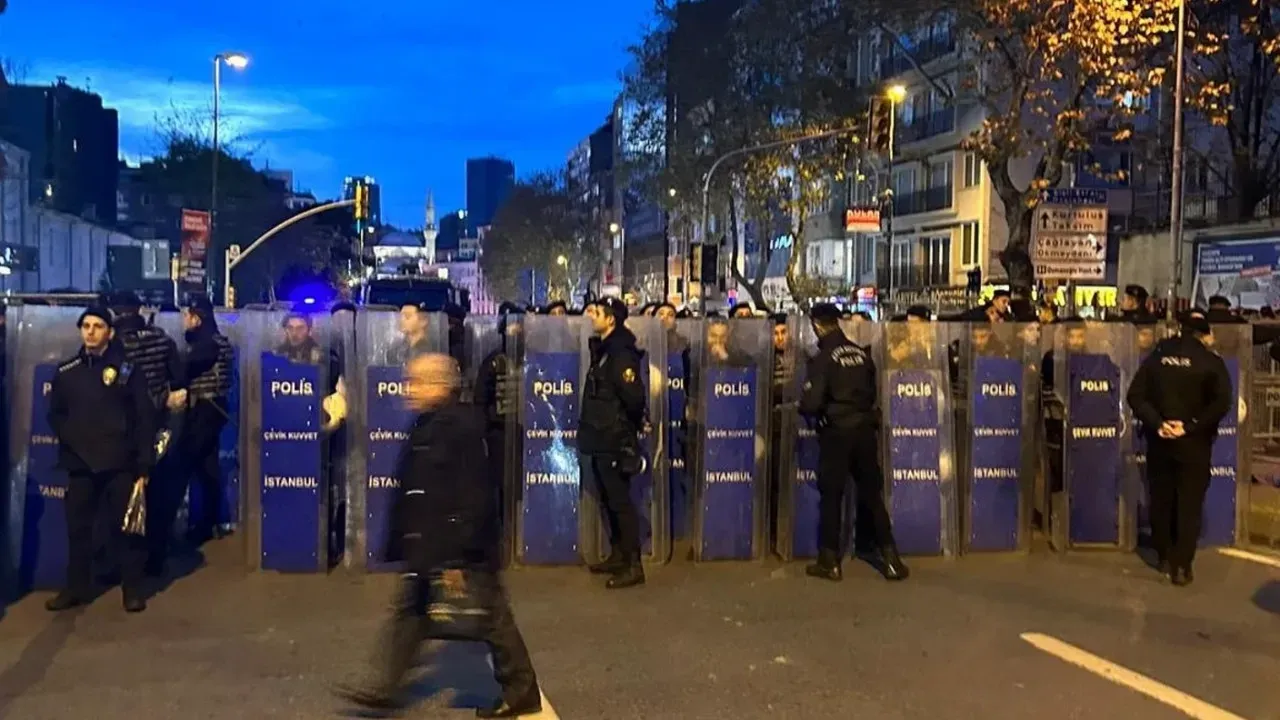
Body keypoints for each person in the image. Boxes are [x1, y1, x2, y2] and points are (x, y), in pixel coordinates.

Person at [336, 354, 542, 717]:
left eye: (417, 382)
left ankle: (522, 689)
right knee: (411, 615)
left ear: (440, 385)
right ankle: (385, 688)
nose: (408, 389)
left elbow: (472, 495)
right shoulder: (429, 423)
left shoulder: (460, 427)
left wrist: (456, 558)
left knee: (493, 620)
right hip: (431, 547)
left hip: (458, 549)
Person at [46, 307, 157, 613]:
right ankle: (76, 588)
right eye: (86, 326)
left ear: (109, 331)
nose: (90, 332)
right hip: (81, 463)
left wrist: (143, 462)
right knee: (78, 530)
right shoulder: (67, 371)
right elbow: (56, 414)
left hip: (119, 463)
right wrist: (71, 439)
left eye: (97, 326)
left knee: (127, 530)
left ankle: (132, 589)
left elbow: (143, 418)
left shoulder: (127, 371)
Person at [800, 303, 908, 582]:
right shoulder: (861, 354)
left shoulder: (823, 358)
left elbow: (812, 402)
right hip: (864, 431)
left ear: (816, 325)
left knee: (832, 496)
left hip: (837, 432)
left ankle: (829, 560)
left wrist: (805, 408)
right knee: (872, 496)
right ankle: (892, 559)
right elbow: (872, 391)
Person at [1126, 311, 1233, 586]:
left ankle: (1163, 555)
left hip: (1160, 439)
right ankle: (1183, 564)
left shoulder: (1157, 357)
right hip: (1194, 443)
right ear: (1205, 335)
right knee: (1190, 503)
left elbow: (1135, 395)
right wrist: (1190, 426)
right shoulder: (1210, 362)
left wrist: (1159, 423)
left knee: (1161, 498)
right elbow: (1221, 403)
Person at [580, 296, 647, 589]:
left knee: (620, 502)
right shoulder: (605, 350)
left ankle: (633, 564)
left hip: (614, 437)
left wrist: (623, 429)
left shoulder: (621, 354)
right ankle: (619, 554)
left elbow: (634, 398)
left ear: (611, 320)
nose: (591, 317)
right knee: (609, 499)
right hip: (601, 436)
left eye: (596, 313)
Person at [174, 297, 235, 546]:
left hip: (205, 409)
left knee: (183, 464)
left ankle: (176, 526)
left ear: (196, 318)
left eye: (187, 316)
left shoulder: (208, 345)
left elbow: (183, 369)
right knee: (207, 468)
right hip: (208, 409)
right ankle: (206, 523)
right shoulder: (211, 341)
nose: (184, 321)